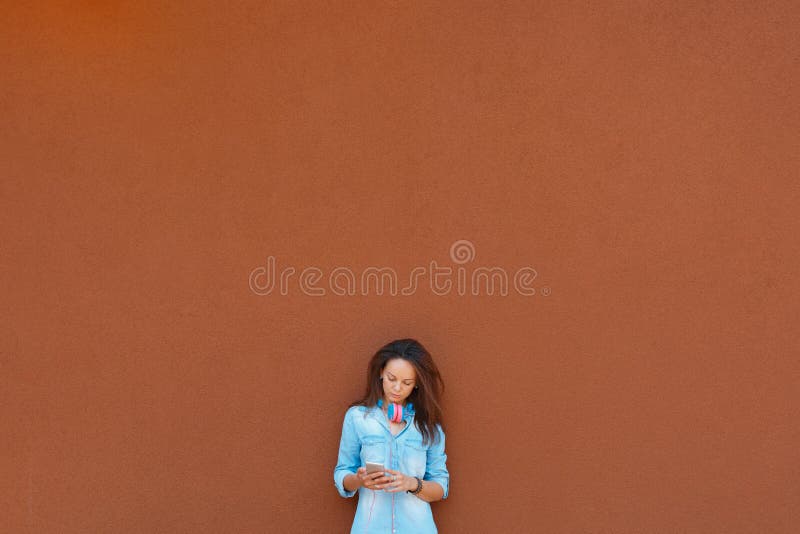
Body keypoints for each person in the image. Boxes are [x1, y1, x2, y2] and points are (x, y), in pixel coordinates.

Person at [333, 338, 450, 533]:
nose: (397, 388)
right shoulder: (357, 418)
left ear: (417, 384)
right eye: (391, 378)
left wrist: (412, 484)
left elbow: (441, 486)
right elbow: (342, 471)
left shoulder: (430, 427)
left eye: (406, 383)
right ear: (380, 373)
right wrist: (359, 480)